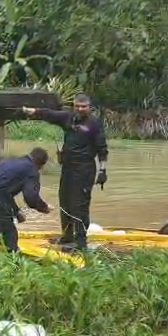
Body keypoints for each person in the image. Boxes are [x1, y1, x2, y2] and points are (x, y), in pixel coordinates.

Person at [21, 93, 108, 251]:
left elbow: (102, 149)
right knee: (65, 201)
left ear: (89, 107)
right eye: (77, 106)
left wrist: (102, 170)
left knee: (79, 204)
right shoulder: (68, 118)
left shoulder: (94, 124)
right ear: (73, 106)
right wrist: (32, 111)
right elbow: (50, 114)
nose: (80, 109)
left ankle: (80, 242)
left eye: (84, 106)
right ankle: (67, 236)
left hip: (84, 169)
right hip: (68, 168)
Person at [0, 147, 52, 253]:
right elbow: (31, 197)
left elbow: (2, 191)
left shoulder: (11, 161)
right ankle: (14, 263)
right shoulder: (32, 171)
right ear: (41, 165)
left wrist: (16, 212)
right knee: (9, 234)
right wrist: (44, 207)